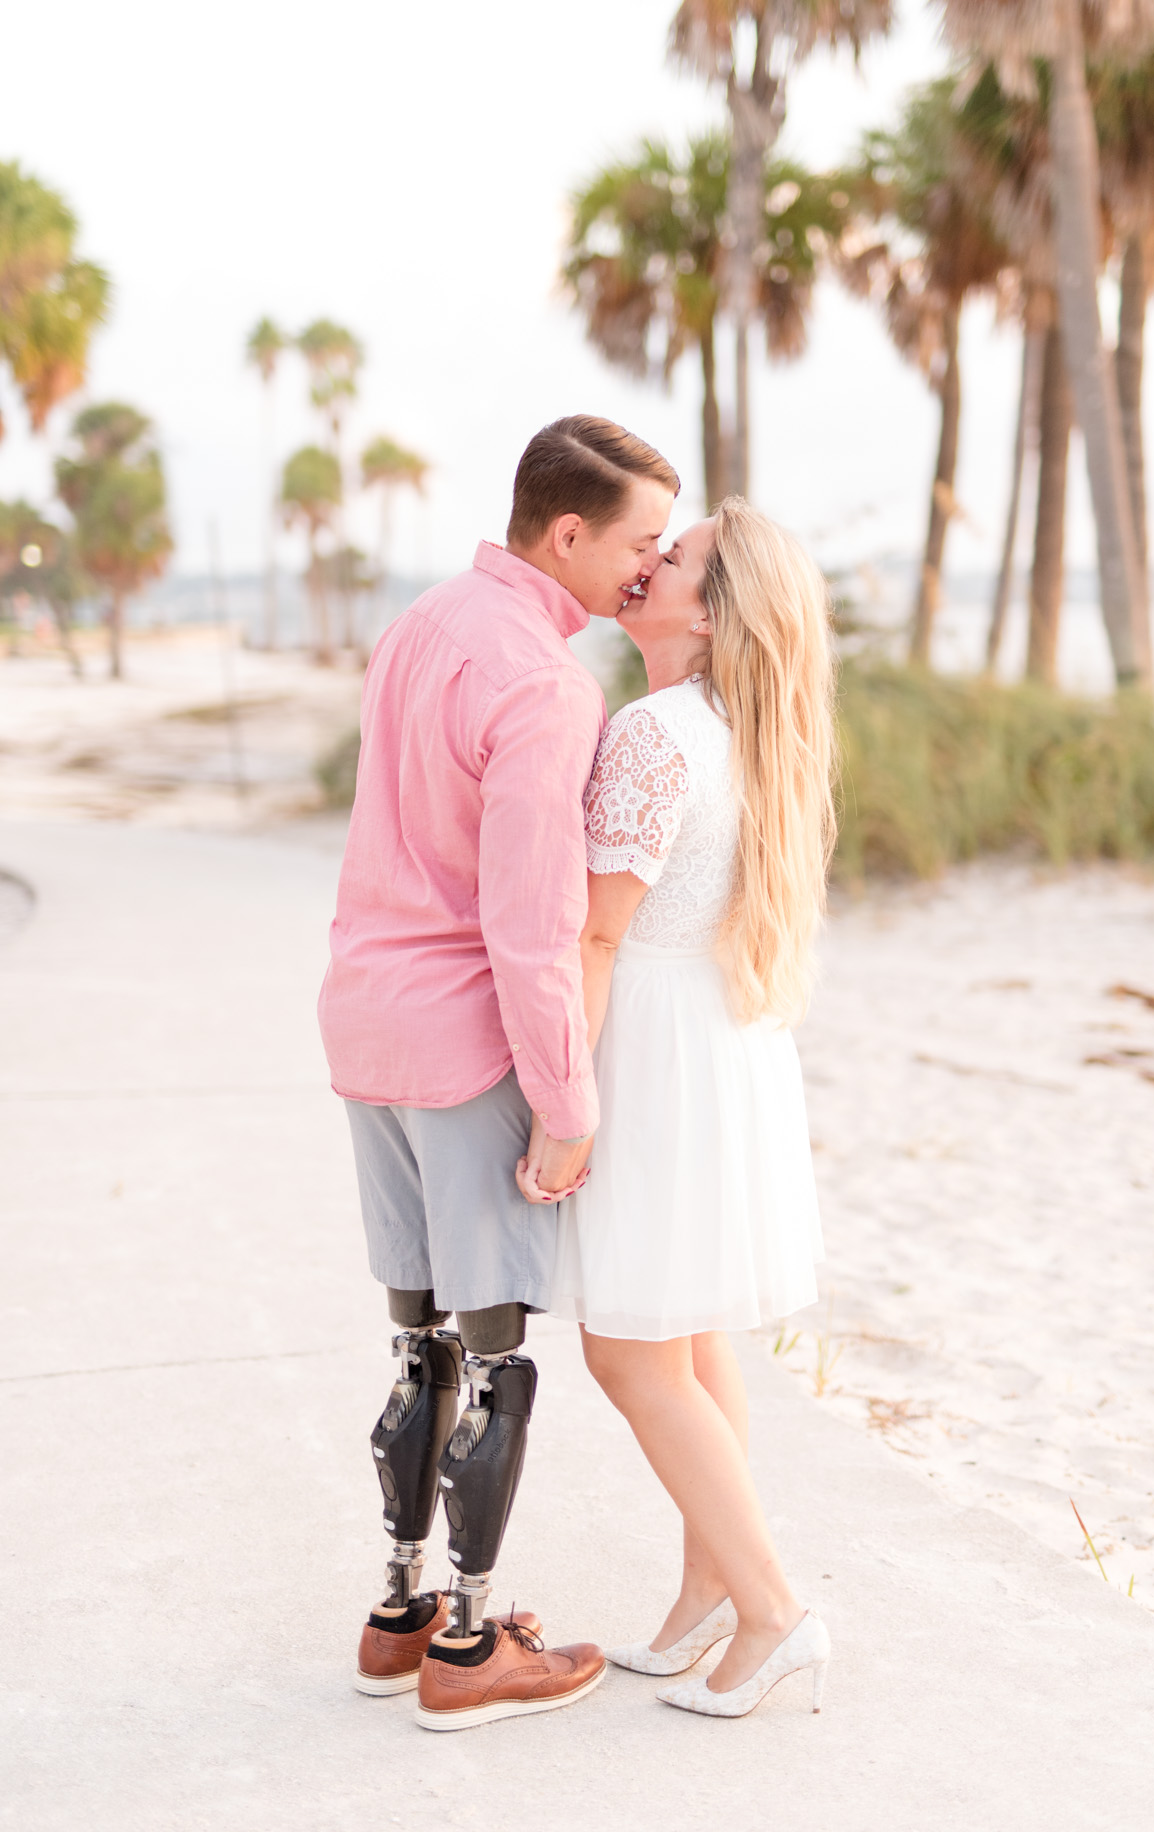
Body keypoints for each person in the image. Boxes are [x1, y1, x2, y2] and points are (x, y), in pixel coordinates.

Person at [318, 413, 678, 1731]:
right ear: (568, 533)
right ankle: (471, 1648)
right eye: (637, 544)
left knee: (415, 1345)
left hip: (364, 1024)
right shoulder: (545, 685)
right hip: (466, 1043)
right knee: (496, 1350)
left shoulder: (418, 626)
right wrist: (566, 1103)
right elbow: (531, 926)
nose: (644, 571)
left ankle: (398, 1612)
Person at [537, 495, 835, 1719]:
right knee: (697, 1332)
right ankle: (705, 1588)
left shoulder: (656, 731)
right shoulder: (737, 728)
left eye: (681, 554)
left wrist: (568, 1102)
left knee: (628, 1346)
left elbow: (599, 933)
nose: (652, 557)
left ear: (707, 610)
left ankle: (770, 1605)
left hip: (657, 1050)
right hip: (720, 1042)